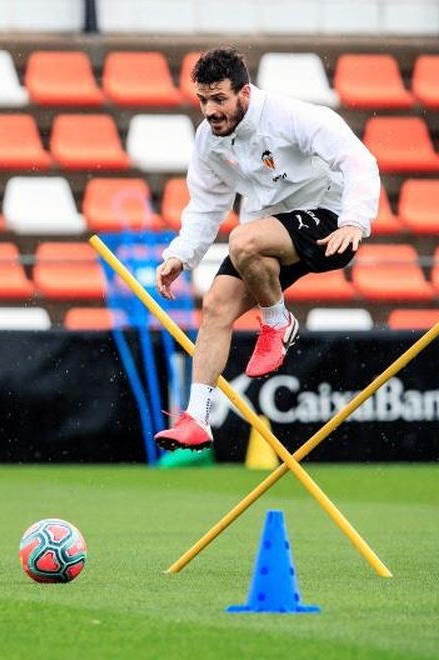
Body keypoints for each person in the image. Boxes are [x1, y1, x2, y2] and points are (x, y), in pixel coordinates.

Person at [153, 46, 379, 452]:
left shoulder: (291, 117)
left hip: (330, 224)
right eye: (203, 100)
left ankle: (277, 322)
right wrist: (180, 254)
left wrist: (354, 220)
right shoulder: (209, 141)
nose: (210, 110)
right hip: (270, 236)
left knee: (243, 239)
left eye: (219, 99)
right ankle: (197, 418)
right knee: (217, 304)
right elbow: (206, 203)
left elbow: (357, 160)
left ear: (245, 93)